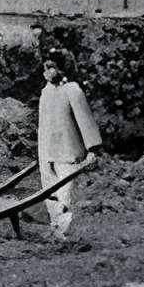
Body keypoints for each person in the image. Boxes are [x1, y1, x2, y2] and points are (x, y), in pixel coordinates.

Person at [35, 55, 103, 238]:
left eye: (51, 67)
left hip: (67, 151)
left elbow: (84, 119)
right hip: (47, 152)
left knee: (65, 194)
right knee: (49, 193)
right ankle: (55, 228)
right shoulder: (45, 93)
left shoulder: (72, 89)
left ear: (61, 68)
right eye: (45, 68)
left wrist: (92, 148)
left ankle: (63, 231)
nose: (47, 72)